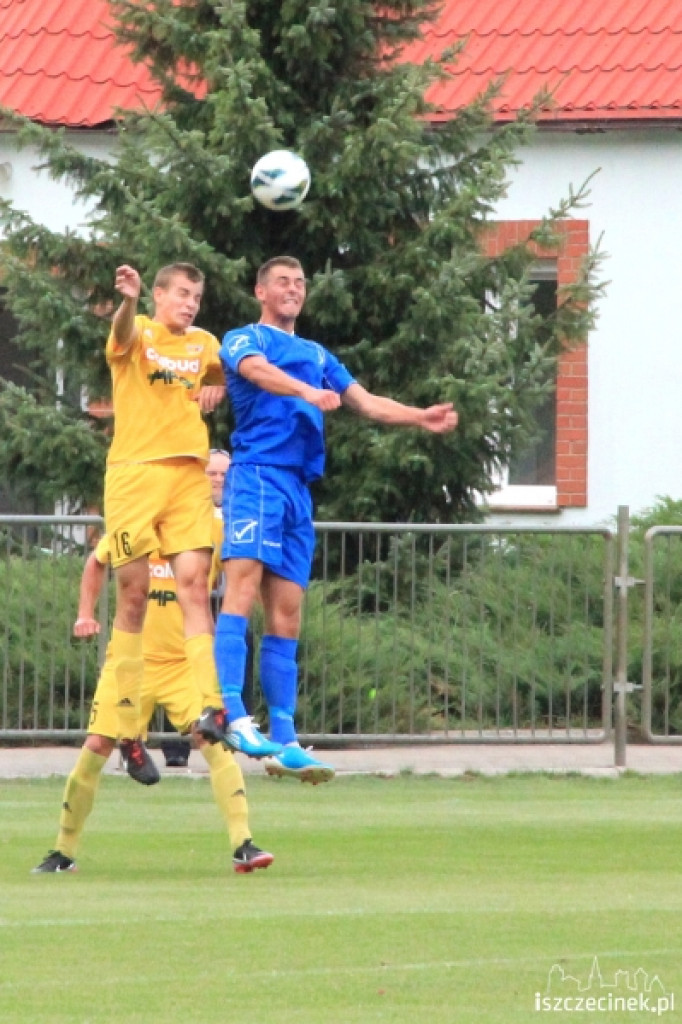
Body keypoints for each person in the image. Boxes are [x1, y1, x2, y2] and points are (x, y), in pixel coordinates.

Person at [198, 255, 458, 783]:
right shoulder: (246, 337)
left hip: (297, 490)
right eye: (283, 282)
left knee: (287, 614)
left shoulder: (318, 353)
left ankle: (286, 738)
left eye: (300, 282)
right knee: (240, 591)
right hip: (258, 477)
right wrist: (305, 392)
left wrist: (418, 417)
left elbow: (365, 402)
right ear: (261, 292)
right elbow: (255, 374)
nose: (293, 289)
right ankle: (233, 714)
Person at [31, 451, 274, 875]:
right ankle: (63, 851)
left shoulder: (213, 528)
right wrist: (85, 613)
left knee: (213, 742)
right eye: (208, 473)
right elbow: (97, 562)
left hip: (184, 662)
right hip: (133, 662)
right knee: (96, 747)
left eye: (219, 475)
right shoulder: (140, 514)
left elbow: (241, 578)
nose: (211, 481)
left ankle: (244, 844)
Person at [100, 262, 227, 784]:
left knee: (193, 586)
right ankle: (128, 731)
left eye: (196, 295)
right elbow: (123, 334)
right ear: (159, 294)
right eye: (181, 293)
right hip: (134, 477)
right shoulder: (140, 332)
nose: (190, 302)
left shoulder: (204, 343)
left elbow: (220, 373)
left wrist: (217, 384)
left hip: (187, 476)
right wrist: (127, 302)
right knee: (132, 595)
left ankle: (213, 707)